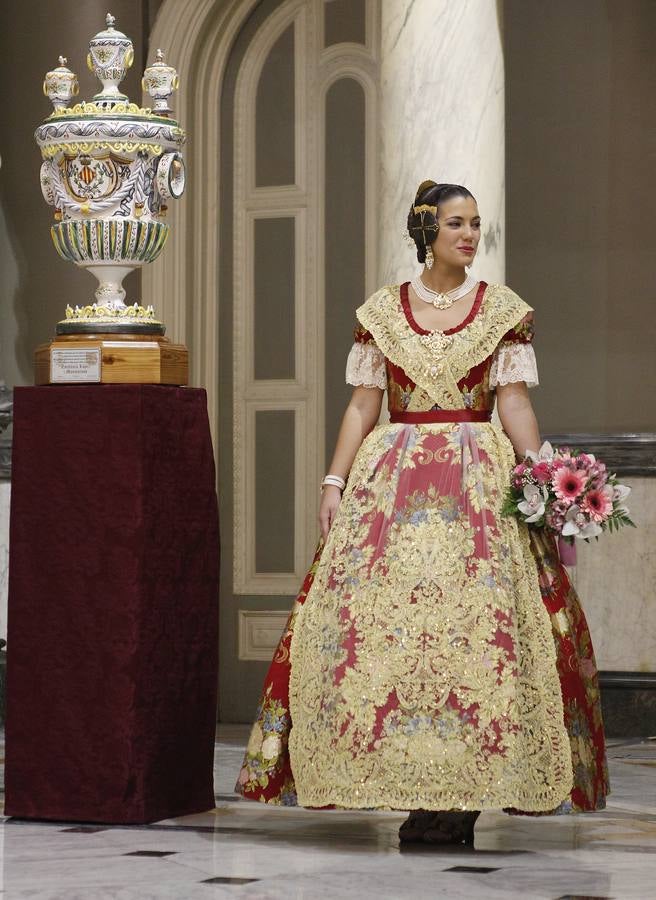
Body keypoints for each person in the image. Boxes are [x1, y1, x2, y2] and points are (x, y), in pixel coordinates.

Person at [236, 180, 608, 844]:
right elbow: (361, 405)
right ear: (426, 231)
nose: (470, 235)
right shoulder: (382, 311)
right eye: (457, 224)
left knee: (478, 643)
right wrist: (332, 481)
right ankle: (408, 786)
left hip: (479, 486)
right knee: (391, 639)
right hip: (392, 486)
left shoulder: (502, 311)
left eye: (475, 224)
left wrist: (546, 478)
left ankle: (464, 794)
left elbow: (514, 401)